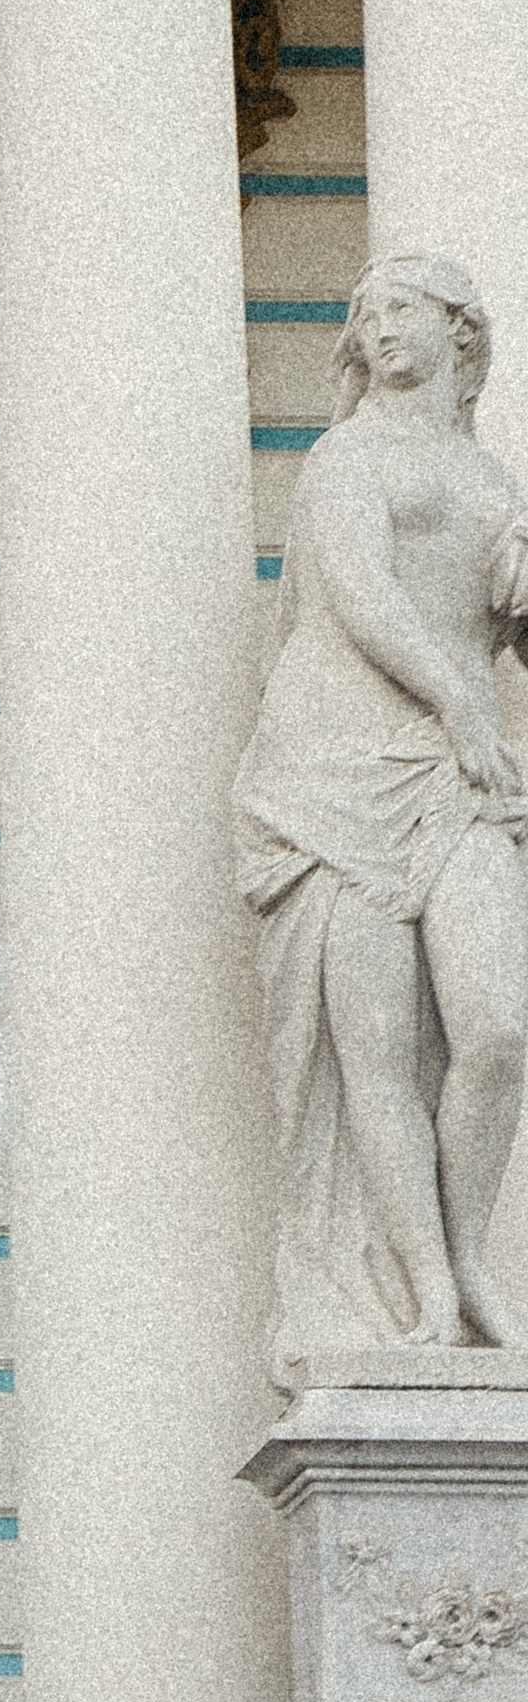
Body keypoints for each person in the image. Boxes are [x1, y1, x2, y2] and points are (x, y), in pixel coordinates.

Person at [237, 250, 528, 1369]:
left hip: (455, 777)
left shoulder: (493, 478)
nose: (375, 331)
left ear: (461, 331)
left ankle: (464, 1253)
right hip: (334, 769)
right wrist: (462, 698)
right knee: (376, 1048)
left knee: (497, 1026)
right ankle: (425, 1292)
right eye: (364, 318)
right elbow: (357, 595)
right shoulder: (341, 458)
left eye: (399, 310)